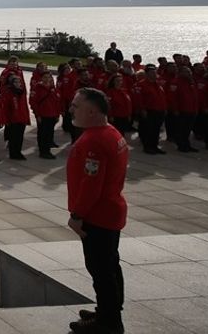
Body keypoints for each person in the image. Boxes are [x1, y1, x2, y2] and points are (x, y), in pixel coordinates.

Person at [66, 88, 129, 334]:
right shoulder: (111, 133)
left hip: (98, 215)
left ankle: (109, 323)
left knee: (101, 270)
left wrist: (77, 216)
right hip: (110, 211)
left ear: (91, 111)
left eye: (75, 105)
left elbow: (91, 184)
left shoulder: (94, 141)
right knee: (111, 265)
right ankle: (108, 310)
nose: (71, 109)